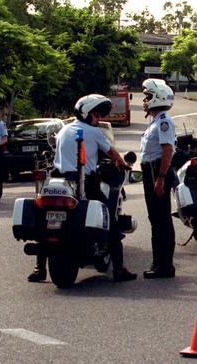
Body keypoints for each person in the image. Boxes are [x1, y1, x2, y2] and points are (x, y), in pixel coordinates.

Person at [28, 94, 136, 283]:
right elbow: (111, 152)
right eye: (97, 114)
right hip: (84, 181)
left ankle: (39, 269)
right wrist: (123, 164)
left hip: (58, 181)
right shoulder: (94, 132)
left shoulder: (63, 130)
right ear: (87, 113)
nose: (99, 118)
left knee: (46, 218)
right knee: (109, 217)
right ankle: (119, 269)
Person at [140, 78, 177, 279]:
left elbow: (167, 150)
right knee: (155, 219)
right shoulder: (155, 121)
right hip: (150, 171)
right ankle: (158, 263)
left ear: (158, 97)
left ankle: (165, 266)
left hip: (157, 171)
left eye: (148, 97)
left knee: (161, 219)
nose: (145, 101)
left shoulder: (164, 122)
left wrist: (161, 178)